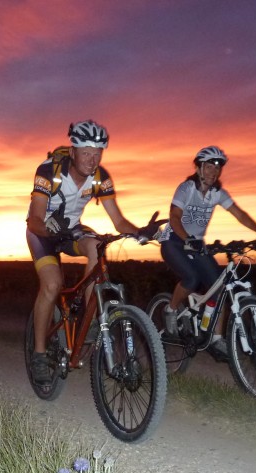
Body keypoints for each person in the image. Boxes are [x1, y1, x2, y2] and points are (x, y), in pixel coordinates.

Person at [26, 119, 164, 385]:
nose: (92, 160)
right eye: (86, 153)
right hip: (42, 233)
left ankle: (89, 317)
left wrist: (142, 232)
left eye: (97, 154)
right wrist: (46, 227)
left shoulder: (101, 177)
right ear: (73, 151)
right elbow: (34, 219)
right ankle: (39, 354)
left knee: (97, 246)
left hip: (72, 230)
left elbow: (119, 222)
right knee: (52, 285)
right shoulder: (49, 171)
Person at [157, 146, 256, 355]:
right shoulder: (186, 188)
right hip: (174, 240)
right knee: (191, 279)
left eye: (217, 168)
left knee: (220, 287)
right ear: (199, 168)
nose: (213, 172)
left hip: (196, 243)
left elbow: (239, 213)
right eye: (209, 167)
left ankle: (215, 336)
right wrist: (187, 239)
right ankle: (171, 309)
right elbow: (174, 217)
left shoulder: (217, 193)